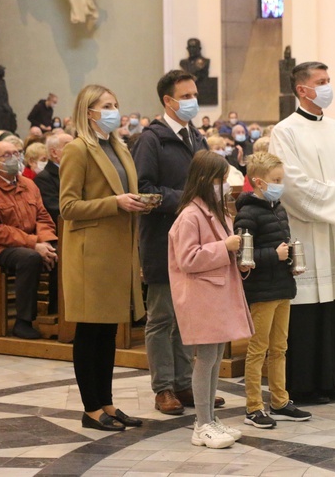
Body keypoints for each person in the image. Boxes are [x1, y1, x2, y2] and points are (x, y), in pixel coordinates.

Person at [270, 61, 335, 404]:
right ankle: (302, 385)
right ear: (302, 89)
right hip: (306, 231)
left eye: (329, 80)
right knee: (309, 309)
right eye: (321, 81)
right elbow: (291, 183)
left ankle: (329, 381)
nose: (328, 87)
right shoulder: (284, 131)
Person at [132, 70, 223, 416]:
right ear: (168, 101)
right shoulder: (151, 140)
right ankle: (164, 387)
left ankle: (186, 383)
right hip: (161, 239)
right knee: (162, 316)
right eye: (186, 96)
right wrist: (187, 200)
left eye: (194, 94)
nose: (193, 101)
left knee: (189, 315)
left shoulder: (195, 137)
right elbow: (145, 190)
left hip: (194, 240)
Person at [59, 84, 147, 432]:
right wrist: (116, 203)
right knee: (90, 332)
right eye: (106, 105)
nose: (114, 110)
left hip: (117, 251)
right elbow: (67, 207)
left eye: (116, 104)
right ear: (89, 111)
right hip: (90, 254)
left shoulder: (117, 147)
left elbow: (125, 192)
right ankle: (91, 408)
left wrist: (138, 201)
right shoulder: (77, 150)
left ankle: (107, 402)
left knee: (108, 332)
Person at [169, 150, 253, 448]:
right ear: (206, 180)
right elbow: (188, 259)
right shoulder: (190, 216)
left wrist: (239, 258)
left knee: (216, 357)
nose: (224, 185)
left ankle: (209, 419)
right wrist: (224, 246)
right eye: (220, 179)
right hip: (201, 296)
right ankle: (201, 423)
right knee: (205, 359)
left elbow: (223, 251)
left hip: (218, 294)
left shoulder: (216, 211)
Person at [234, 152, 312, 429]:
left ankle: (279, 401)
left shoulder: (278, 208)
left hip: (282, 286)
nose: (281, 184)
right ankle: (253, 407)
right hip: (261, 290)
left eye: (282, 179)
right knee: (258, 349)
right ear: (258, 182)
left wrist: (291, 258)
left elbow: (282, 243)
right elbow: (242, 256)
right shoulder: (247, 213)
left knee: (280, 348)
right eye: (275, 180)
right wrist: (273, 255)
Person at [0, 140, 57, 339]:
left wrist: (46, 242)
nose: (15, 158)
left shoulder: (28, 184)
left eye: (17, 153)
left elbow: (43, 217)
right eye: (8, 155)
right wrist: (34, 243)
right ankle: (23, 321)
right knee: (29, 258)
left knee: (61, 251)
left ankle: (57, 313)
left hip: (29, 242)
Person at [34, 133, 72, 226]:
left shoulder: (77, 171)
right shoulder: (43, 179)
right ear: (54, 153)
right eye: (69, 146)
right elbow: (55, 210)